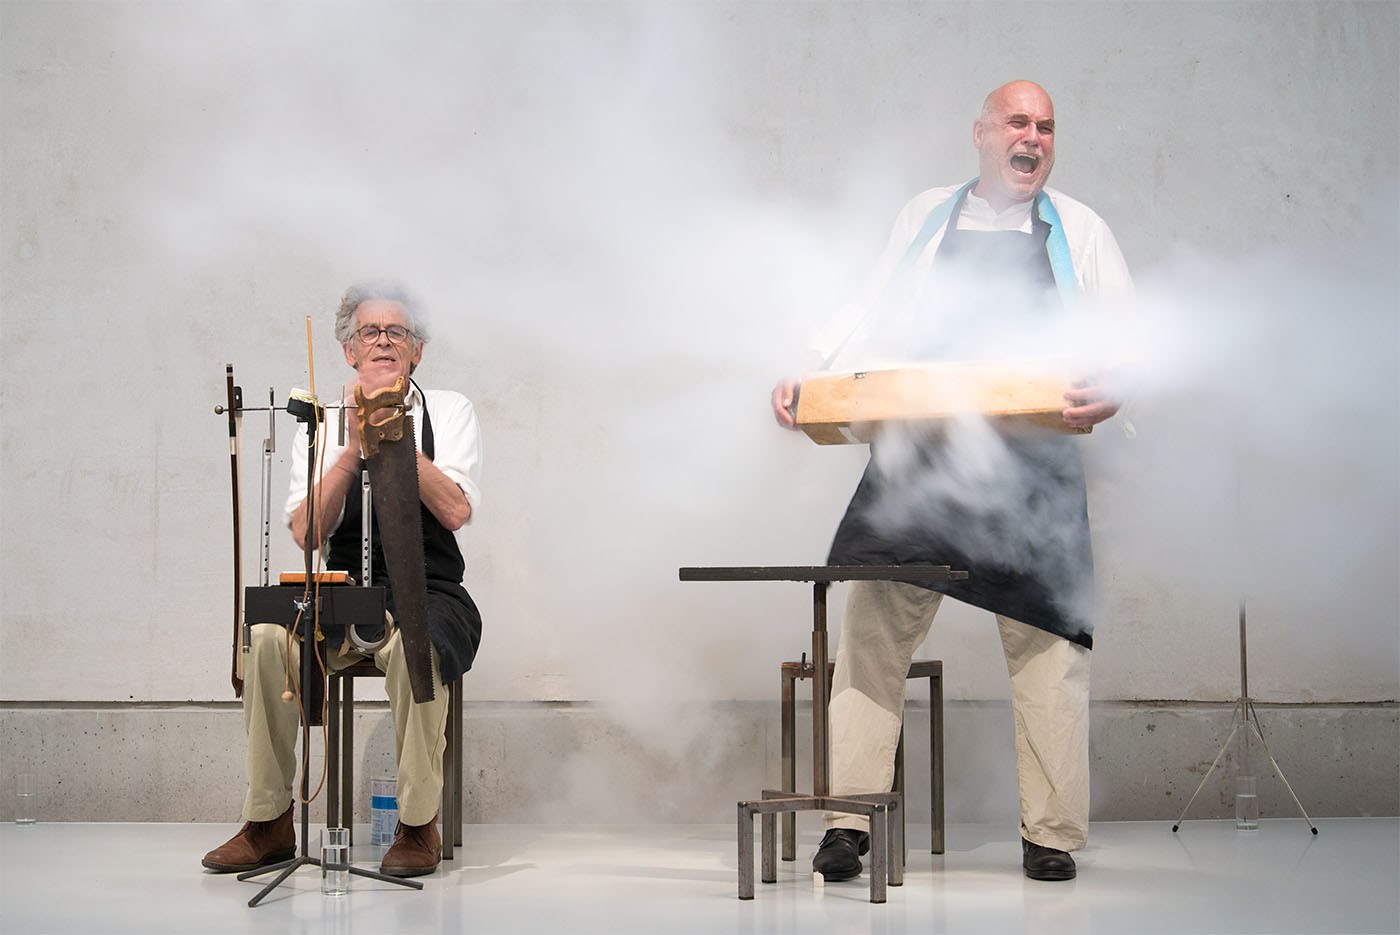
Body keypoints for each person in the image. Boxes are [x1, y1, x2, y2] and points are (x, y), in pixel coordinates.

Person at [771, 80, 1132, 882]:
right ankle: (849, 821)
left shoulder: (1081, 230)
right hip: (921, 461)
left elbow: (1129, 341)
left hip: (1035, 471)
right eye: (1018, 122)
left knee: (1052, 645)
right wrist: (807, 368)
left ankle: (1050, 834)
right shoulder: (926, 218)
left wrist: (1119, 385)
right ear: (981, 133)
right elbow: (865, 310)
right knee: (869, 634)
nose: (1033, 137)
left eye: (1046, 126)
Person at [203, 282, 484, 878]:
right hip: (339, 590)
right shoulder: (324, 422)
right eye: (369, 332)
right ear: (349, 350)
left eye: (397, 331)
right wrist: (353, 449)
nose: (383, 341)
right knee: (267, 639)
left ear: (417, 350)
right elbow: (306, 532)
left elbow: (456, 511)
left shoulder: (449, 409)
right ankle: (269, 822)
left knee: (419, 647)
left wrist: (395, 437)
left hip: (428, 587)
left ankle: (417, 824)